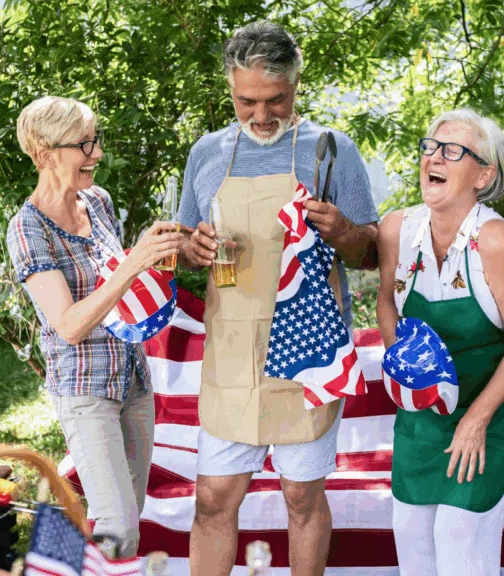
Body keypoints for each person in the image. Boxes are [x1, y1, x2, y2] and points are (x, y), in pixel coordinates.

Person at [177, 21, 380, 576]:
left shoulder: (331, 151)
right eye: (247, 101)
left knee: (302, 500)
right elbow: (181, 250)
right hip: (233, 356)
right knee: (213, 500)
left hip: (308, 354)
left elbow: (372, 254)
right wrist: (191, 249)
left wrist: (342, 230)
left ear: (296, 86)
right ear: (230, 89)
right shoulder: (207, 154)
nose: (262, 115)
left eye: (277, 100)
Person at [6, 96, 185, 557]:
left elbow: (119, 291)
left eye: (96, 140)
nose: (97, 154)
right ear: (46, 155)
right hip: (86, 392)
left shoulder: (97, 201)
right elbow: (68, 325)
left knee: (131, 514)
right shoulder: (28, 229)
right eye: (84, 144)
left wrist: (161, 260)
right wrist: (134, 261)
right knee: (117, 528)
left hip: (133, 380)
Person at [376, 109, 504, 576]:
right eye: (430, 146)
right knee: (410, 531)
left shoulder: (493, 240)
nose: (434, 156)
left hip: (495, 401)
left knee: (460, 535)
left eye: (453, 151)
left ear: (484, 174)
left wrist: (476, 419)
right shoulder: (397, 229)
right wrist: (406, 363)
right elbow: (387, 302)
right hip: (427, 403)